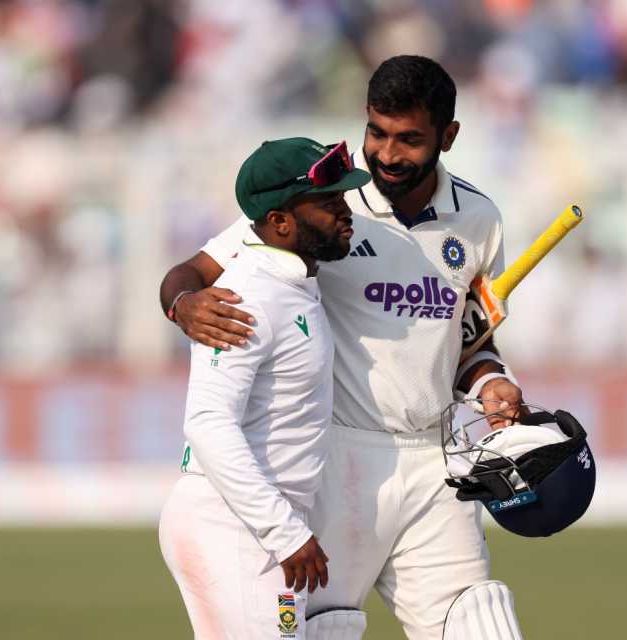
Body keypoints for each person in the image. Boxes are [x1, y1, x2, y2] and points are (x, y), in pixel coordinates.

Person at [160, 55, 526, 640]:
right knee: (319, 630)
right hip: (333, 463)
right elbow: (191, 272)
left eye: (409, 140)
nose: (386, 154)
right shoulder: (325, 196)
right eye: (376, 133)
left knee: (481, 628)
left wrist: (490, 384)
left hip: (434, 462)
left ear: (448, 136)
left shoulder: (479, 220)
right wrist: (183, 305)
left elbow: (469, 344)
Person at [158, 136, 371, 639]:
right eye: (329, 203)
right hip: (232, 525)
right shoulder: (246, 297)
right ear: (279, 222)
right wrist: (287, 533)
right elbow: (208, 424)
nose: (346, 213)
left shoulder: (292, 282)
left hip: (256, 526)